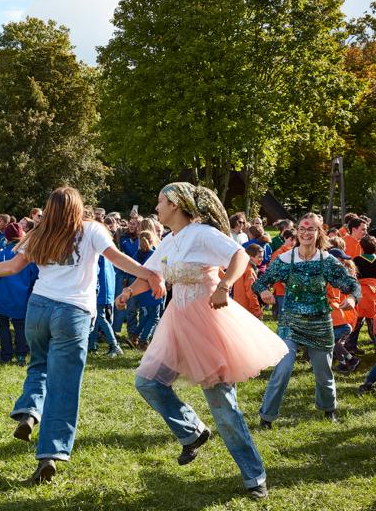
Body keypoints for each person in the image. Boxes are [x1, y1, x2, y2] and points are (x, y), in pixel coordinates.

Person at [0, 187, 162, 484]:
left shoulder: (40, 233)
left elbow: (13, 267)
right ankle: (49, 456)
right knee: (64, 386)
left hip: (39, 308)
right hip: (73, 312)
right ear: (78, 208)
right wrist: (150, 274)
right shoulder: (92, 230)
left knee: (39, 365)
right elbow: (118, 259)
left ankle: (29, 411)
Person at [117, 182, 286, 500]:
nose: (156, 208)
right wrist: (128, 291)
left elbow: (239, 256)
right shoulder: (169, 240)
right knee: (147, 382)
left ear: (176, 205)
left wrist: (224, 286)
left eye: (160, 202)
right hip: (177, 323)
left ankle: (254, 475)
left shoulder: (203, 233)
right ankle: (192, 431)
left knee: (223, 406)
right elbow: (151, 274)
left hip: (208, 323)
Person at [254, 213, 360, 426]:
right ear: (297, 232)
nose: (305, 233)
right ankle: (266, 417)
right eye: (301, 229)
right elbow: (259, 282)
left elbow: (351, 284)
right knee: (282, 369)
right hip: (290, 323)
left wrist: (351, 297)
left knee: (323, 373)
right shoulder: (285, 259)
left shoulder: (327, 260)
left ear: (318, 233)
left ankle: (328, 409)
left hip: (320, 323)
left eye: (310, 229)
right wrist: (264, 291)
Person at [0, 223, 35, 365]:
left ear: (7, 238)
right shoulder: (27, 255)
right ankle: (21, 355)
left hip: (3, 296)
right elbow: (34, 276)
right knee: (20, 326)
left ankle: (6, 355)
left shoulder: (2, 254)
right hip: (21, 296)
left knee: (3, 326)